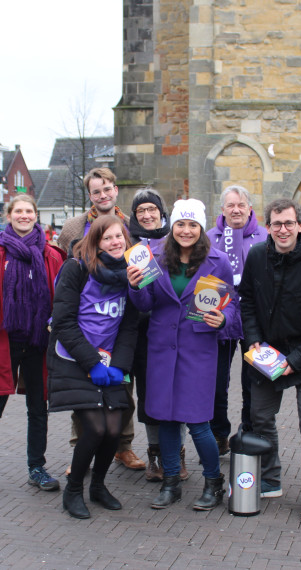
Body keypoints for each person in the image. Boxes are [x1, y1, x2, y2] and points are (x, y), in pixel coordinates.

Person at [127, 199, 236, 511]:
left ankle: (213, 483)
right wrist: (135, 287)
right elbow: (145, 303)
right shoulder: (155, 259)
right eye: (180, 224)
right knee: (166, 422)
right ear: (171, 227)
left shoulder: (218, 261)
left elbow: (234, 306)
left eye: (192, 225)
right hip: (162, 350)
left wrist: (225, 319)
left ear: (200, 228)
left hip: (198, 351)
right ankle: (171, 483)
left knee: (199, 423)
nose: (186, 230)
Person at [239, 198, 301, 523]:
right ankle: (270, 476)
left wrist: (295, 360)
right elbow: (247, 302)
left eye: (288, 223)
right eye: (276, 224)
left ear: (300, 225)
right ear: (267, 227)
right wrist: (254, 340)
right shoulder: (257, 256)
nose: (282, 230)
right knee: (260, 415)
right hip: (267, 352)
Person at [0, 194, 66, 498]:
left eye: (29, 211)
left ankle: (37, 468)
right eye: (18, 211)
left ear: (36, 215)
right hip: (2, 342)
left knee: (38, 409)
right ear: (9, 215)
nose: (24, 215)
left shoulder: (52, 254)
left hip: (38, 342)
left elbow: (61, 300)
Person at [48, 216, 139, 519]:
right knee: (96, 427)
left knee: (114, 427)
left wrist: (120, 366)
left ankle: (98, 487)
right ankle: (73, 490)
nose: (115, 242)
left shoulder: (131, 275)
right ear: (95, 242)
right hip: (75, 359)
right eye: (107, 238)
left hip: (111, 362)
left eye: (119, 237)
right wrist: (91, 363)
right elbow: (62, 321)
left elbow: (129, 326)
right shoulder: (76, 269)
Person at [57, 167, 145, 471]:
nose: (103, 195)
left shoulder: (132, 225)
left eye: (107, 189)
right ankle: (79, 452)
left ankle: (123, 447)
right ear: (90, 195)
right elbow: (63, 268)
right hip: (85, 327)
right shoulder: (73, 226)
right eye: (96, 191)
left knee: (124, 392)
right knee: (82, 397)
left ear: (116, 190)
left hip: (118, 321)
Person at [127, 188, 189, 482]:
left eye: (152, 209)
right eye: (141, 211)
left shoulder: (176, 239)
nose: (148, 215)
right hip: (138, 333)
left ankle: (177, 453)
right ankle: (154, 453)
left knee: (177, 392)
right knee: (149, 394)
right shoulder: (127, 242)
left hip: (172, 329)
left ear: (161, 212)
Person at [205, 185, 268, 455]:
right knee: (216, 383)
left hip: (254, 321)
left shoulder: (265, 236)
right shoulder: (209, 238)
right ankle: (219, 433)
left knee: (252, 382)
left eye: (241, 204)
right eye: (231, 205)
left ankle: (247, 431)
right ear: (222, 210)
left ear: (250, 208)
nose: (236, 209)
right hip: (219, 319)